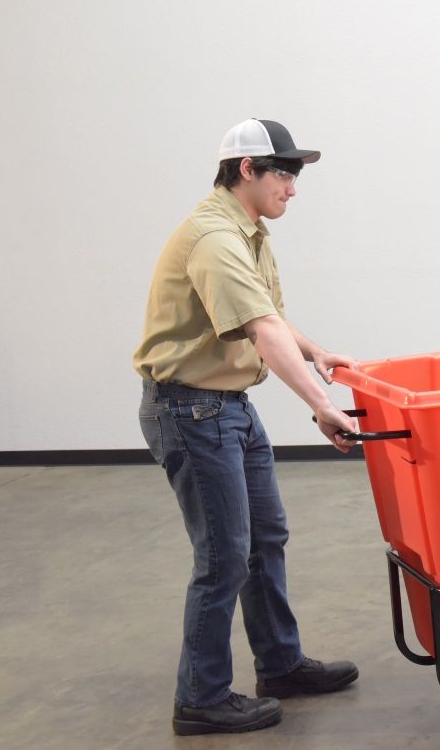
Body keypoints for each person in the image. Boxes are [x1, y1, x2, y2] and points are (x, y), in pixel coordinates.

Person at [133, 119, 362, 735]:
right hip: (190, 410)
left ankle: (280, 663)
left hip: (227, 405)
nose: (293, 188)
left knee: (265, 538)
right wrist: (320, 403)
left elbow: (270, 317)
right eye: (284, 173)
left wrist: (316, 351)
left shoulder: (250, 233)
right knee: (223, 556)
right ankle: (200, 698)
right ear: (246, 170)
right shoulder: (214, 238)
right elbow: (261, 331)